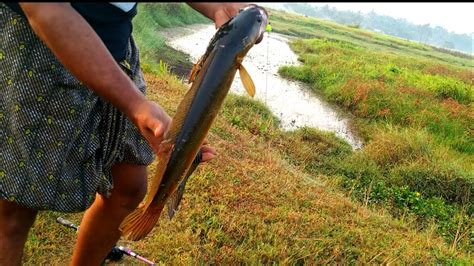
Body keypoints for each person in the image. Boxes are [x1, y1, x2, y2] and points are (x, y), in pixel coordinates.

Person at [0, 2, 263, 265]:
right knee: (13, 211)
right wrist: (136, 105)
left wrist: (216, 7)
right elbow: (44, 9)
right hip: (43, 45)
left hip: (117, 45)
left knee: (128, 188)